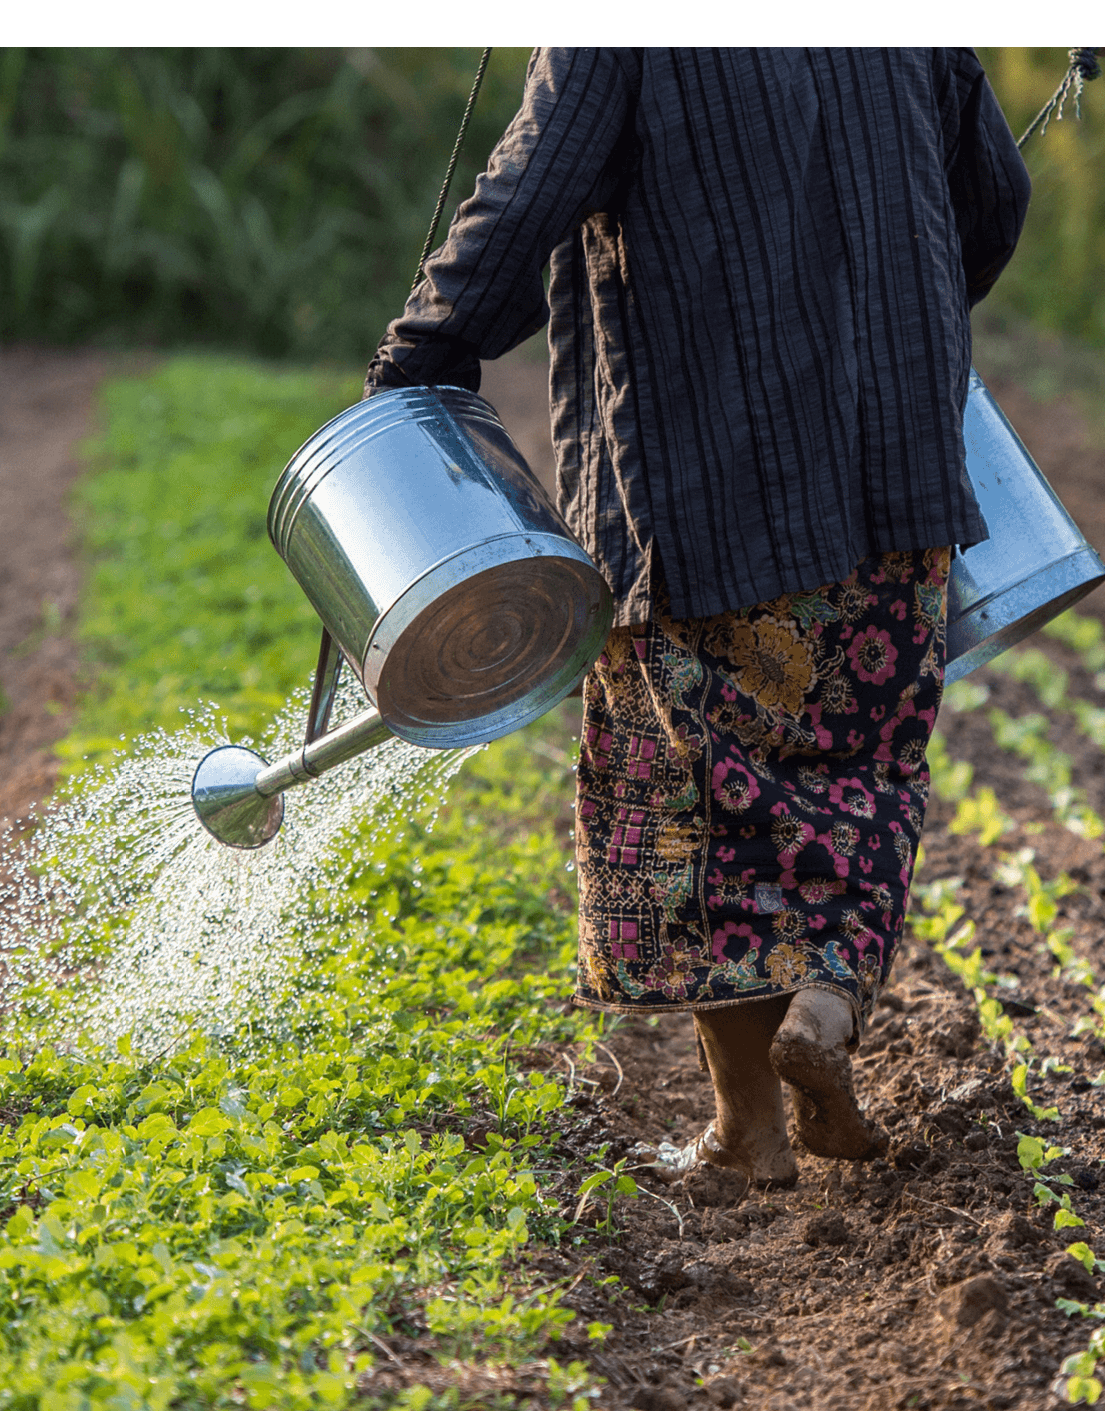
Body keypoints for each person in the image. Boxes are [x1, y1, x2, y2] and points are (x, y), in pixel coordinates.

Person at [365, 47, 1029, 1185]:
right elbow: (992, 199)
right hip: (894, 470)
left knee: (694, 804)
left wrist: (418, 355)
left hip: (705, 486)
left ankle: (747, 1133)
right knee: (861, 765)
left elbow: (528, 193)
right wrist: (894, 325)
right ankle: (825, 999)